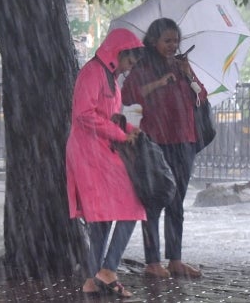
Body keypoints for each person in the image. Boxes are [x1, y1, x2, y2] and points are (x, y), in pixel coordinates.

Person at [119, 18, 206, 279]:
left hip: (184, 140)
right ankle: (152, 261)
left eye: (176, 41)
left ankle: (175, 260)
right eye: (167, 41)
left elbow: (201, 96)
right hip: (155, 143)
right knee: (155, 200)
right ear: (153, 41)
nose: (172, 45)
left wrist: (188, 74)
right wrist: (159, 82)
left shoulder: (181, 66)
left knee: (177, 202)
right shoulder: (142, 67)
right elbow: (128, 96)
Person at [67, 28, 147, 298]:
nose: (130, 67)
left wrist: (128, 129)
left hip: (101, 149)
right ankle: (108, 270)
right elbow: (84, 114)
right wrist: (121, 134)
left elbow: (107, 116)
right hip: (91, 152)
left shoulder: (109, 76)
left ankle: (92, 278)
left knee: (101, 217)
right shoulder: (93, 73)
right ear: (118, 53)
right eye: (130, 61)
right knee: (132, 206)